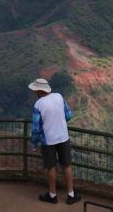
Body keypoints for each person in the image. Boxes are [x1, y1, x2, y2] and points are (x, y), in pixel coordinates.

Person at [28, 77, 81, 205]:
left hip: (48, 140)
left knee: (51, 166)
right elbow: (68, 115)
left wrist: (34, 144)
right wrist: (59, 123)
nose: (35, 93)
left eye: (36, 90)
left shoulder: (39, 104)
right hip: (63, 136)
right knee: (66, 165)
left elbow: (36, 127)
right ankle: (71, 194)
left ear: (40, 91)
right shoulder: (59, 97)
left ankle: (52, 195)